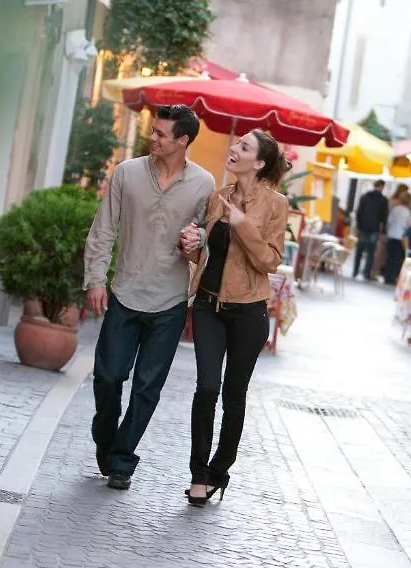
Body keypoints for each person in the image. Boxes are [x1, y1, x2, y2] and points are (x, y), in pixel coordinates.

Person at [84, 104, 215, 490]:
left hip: (170, 301)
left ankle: (122, 461)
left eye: (160, 133)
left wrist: (198, 240)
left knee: (146, 388)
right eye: (153, 131)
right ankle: (106, 441)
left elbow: (205, 239)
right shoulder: (127, 173)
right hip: (125, 292)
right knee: (108, 378)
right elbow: (103, 228)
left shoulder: (203, 184)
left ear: (182, 141)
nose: (152, 138)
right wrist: (95, 278)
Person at [179, 129, 289, 506]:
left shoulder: (276, 205)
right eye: (236, 143)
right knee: (207, 387)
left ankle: (219, 470)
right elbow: (206, 255)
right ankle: (197, 473)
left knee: (233, 395)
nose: (234, 149)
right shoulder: (217, 197)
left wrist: (242, 223)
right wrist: (191, 246)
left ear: (258, 163)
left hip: (249, 314)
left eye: (244, 147)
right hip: (209, 306)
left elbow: (270, 261)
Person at [352, 180, 388, 280]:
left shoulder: (364, 197)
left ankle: (355, 271)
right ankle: (366, 273)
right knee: (371, 252)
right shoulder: (383, 200)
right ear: (381, 187)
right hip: (374, 228)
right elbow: (384, 217)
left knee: (359, 250)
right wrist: (382, 230)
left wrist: (358, 226)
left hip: (363, 227)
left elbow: (358, 212)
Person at [382, 193, 411, 285]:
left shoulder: (395, 209)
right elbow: (407, 225)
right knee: (397, 259)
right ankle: (392, 277)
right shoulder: (407, 212)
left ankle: (387, 276)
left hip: (391, 235)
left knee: (389, 257)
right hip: (400, 237)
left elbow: (389, 221)